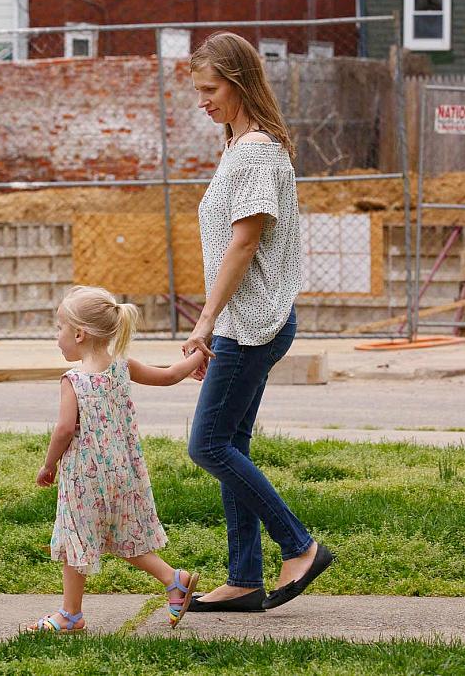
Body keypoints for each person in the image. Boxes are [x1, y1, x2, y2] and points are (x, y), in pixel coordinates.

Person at [182, 32, 334, 613]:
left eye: (210, 89)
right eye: (198, 90)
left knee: (208, 445)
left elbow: (242, 246)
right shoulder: (244, 147)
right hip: (251, 321)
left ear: (238, 83)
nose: (202, 101)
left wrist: (204, 324)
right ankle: (244, 578)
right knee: (231, 445)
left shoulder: (254, 153)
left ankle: (299, 546)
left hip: (249, 325)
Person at [30, 285, 205, 633]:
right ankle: (175, 579)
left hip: (85, 477)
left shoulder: (75, 380)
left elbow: (64, 429)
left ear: (79, 333)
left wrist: (48, 465)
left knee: (75, 539)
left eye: (59, 328)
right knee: (121, 536)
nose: (57, 336)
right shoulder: (122, 367)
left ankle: (70, 614)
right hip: (123, 473)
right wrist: (199, 356)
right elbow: (170, 375)